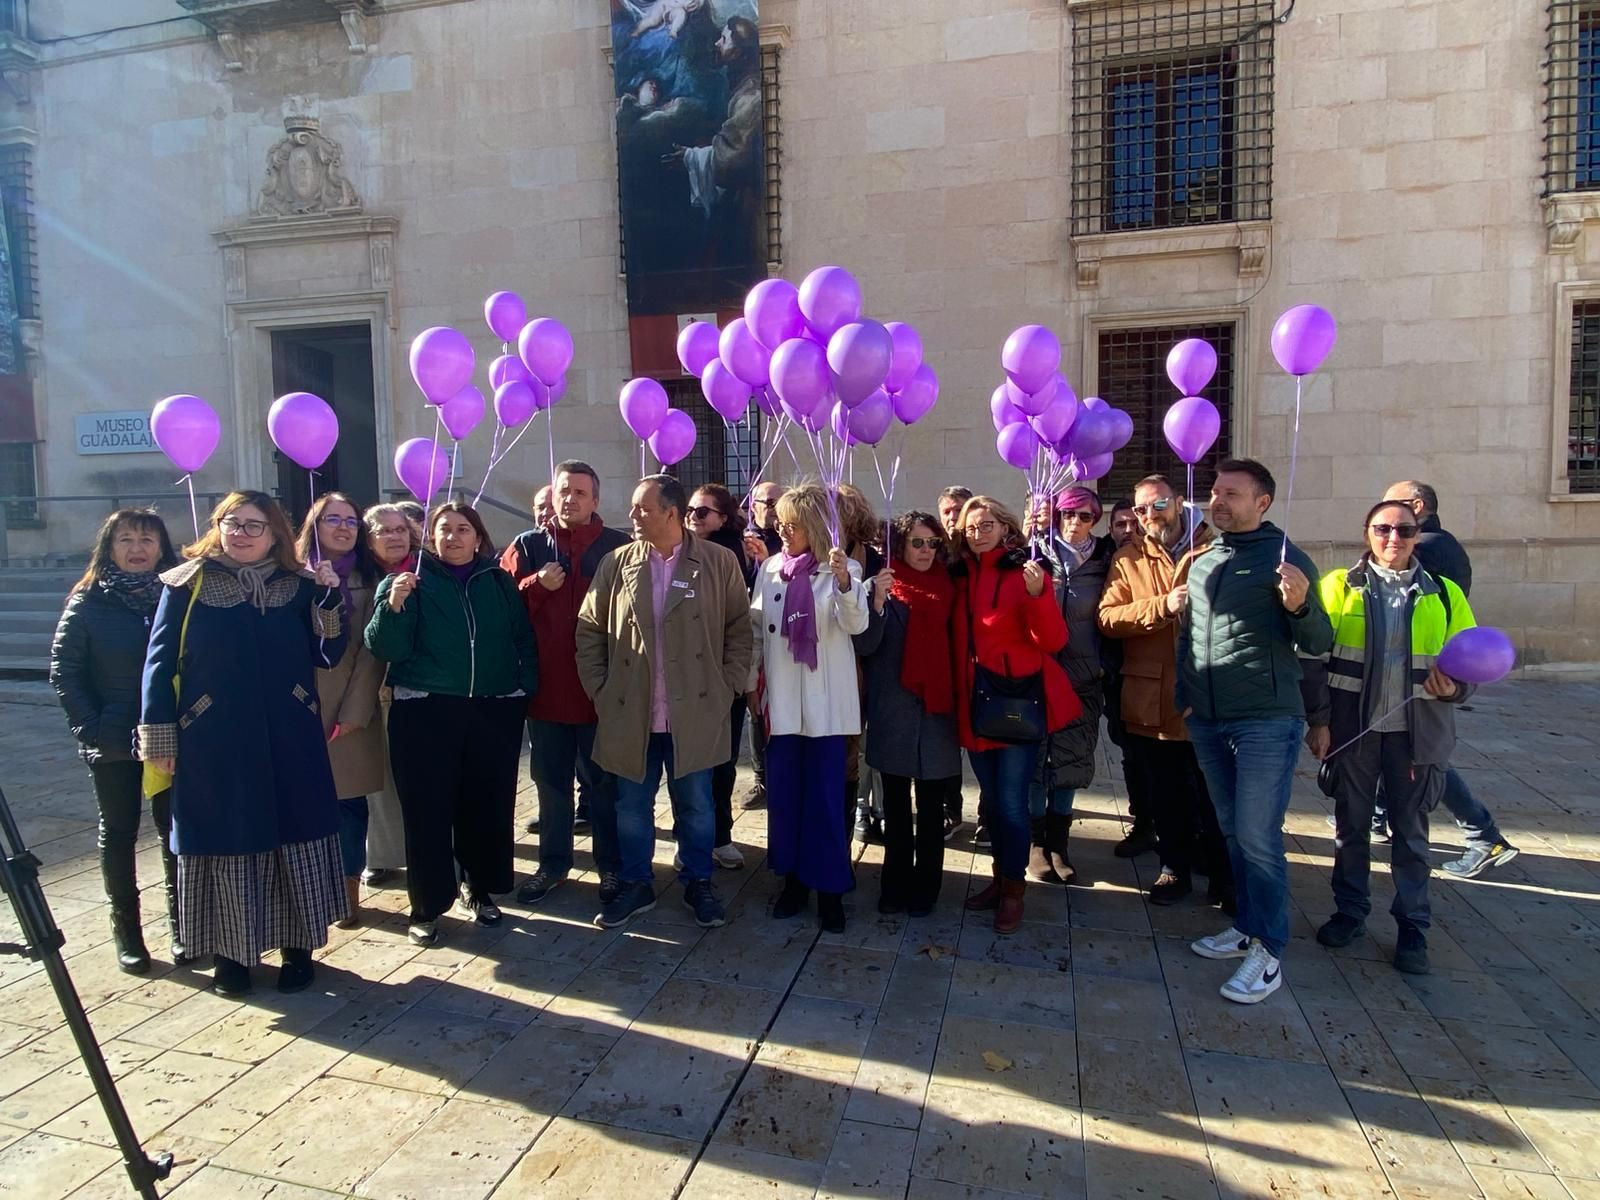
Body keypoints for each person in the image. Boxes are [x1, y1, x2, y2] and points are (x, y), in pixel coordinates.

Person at [137, 491, 347, 996]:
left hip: (290, 734)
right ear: (218, 525)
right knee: (227, 836)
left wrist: (328, 597)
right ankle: (232, 956)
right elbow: (158, 663)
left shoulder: (299, 585)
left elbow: (327, 655)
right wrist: (160, 735)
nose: (242, 534)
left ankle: (298, 949)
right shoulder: (186, 584)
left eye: (255, 526)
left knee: (293, 831)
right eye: (233, 522)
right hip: (214, 738)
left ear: (276, 533)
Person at [1180, 460, 1333, 1005]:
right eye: (1216, 492)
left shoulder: (1286, 560)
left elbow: (1320, 638)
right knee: (1232, 829)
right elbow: (1190, 638)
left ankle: (1269, 949)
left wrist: (1301, 605)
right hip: (1209, 720)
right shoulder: (1204, 561)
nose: (1218, 502)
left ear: (1262, 502)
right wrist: (1187, 702)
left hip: (1266, 719)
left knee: (1258, 835)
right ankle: (1246, 925)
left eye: (1232, 494)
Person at [1302, 500, 1477, 976]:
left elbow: (1472, 660)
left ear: (1417, 536)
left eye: (1404, 530)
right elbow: (1313, 660)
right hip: (1353, 734)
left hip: (1416, 737)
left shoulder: (1444, 594)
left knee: (1411, 837)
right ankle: (1349, 913)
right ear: (1367, 534)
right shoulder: (1337, 587)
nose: (1393, 538)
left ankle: (1413, 929)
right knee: (1350, 830)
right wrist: (1317, 722)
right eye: (1383, 529)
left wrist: (1457, 688)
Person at [575, 474, 752, 930]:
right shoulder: (616, 564)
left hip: (694, 710)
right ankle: (637, 884)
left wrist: (728, 684)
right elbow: (589, 630)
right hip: (631, 710)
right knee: (631, 807)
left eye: (642, 508)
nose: (632, 516)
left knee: (696, 805)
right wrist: (600, 687)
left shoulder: (718, 561)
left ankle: (699, 881)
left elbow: (739, 628)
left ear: (671, 512)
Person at [365, 502, 538, 947]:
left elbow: (523, 638)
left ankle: (478, 889)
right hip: (425, 710)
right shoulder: (408, 583)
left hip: (491, 709)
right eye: (444, 530)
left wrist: (521, 689)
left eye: (463, 529)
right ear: (430, 537)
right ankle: (425, 906)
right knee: (427, 812)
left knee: (484, 806)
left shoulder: (498, 581)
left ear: (478, 537)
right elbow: (387, 648)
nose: (453, 537)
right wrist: (394, 605)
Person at [51, 509, 183, 973]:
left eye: (147, 540)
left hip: (170, 736)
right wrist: (93, 728)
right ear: (109, 547)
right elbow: (64, 671)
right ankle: (127, 930)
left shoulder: (177, 593)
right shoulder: (87, 602)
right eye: (125, 540)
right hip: (114, 738)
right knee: (120, 830)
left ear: (161, 547)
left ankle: (182, 926)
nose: (137, 549)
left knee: (174, 830)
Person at [1098, 475, 1232, 911]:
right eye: (1141, 510)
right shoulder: (1127, 559)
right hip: (1154, 698)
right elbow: (1108, 618)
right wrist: (1161, 606)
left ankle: (1222, 873)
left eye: (1158, 505)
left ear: (1178, 502)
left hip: (1210, 696)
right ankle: (1172, 867)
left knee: (1217, 796)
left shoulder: (1220, 550)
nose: (1150, 516)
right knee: (1166, 793)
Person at [500, 462, 629, 906]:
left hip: (601, 694)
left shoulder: (619, 547)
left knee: (604, 787)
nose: (569, 498)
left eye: (579, 492)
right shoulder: (528, 545)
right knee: (551, 786)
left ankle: (611, 868)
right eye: (563, 491)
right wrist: (536, 584)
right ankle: (553, 865)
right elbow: (501, 611)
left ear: (596, 500)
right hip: (546, 693)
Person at [1379, 480, 1519, 878]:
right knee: (1395, 752)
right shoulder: (1446, 542)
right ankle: (1378, 818)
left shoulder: (1426, 549)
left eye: (1395, 506)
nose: (1390, 531)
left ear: (1417, 505)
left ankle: (1484, 835)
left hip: (1422, 679)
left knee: (1427, 761)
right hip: (1414, 678)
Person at [952, 496, 1077, 934]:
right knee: (991, 803)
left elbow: (1053, 640)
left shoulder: (1025, 571)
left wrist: (1040, 595)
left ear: (1005, 527)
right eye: (971, 527)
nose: (978, 533)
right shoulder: (962, 573)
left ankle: (1013, 892)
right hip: (975, 703)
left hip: (1014, 702)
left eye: (986, 524)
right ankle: (1000, 878)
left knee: (1010, 802)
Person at [749, 483, 869, 931]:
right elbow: (758, 630)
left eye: (792, 523)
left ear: (816, 526)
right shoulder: (772, 569)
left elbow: (856, 623)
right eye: (780, 521)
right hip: (780, 708)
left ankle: (831, 890)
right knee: (785, 799)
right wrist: (751, 686)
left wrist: (842, 583)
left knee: (824, 801)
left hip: (827, 710)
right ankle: (794, 882)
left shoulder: (844, 568)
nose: (782, 529)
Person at [856, 511, 959, 916]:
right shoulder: (880, 585)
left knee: (932, 808)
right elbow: (864, 646)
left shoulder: (949, 586)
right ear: (899, 545)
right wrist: (878, 603)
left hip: (937, 711)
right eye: (917, 543)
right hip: (894, 708)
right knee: (896, 806)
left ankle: (927, 888)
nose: (925, 551)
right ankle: (894, 883)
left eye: (932, 543)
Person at [295, 493, 387, 930]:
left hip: (349, 711)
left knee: (349, 804)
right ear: (314, 525)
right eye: (333, 519)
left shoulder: (370, 581)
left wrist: (355, 710)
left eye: (352, 520)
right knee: (306, 803)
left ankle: (348, 891)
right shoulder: (291, 577)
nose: (344, 527)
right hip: (296, 707)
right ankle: (310, 889)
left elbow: (373, 653)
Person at [1025, 487, 1116, 886]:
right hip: (1037, 675)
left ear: (1095, 519)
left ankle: (1059, 844)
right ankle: (1034, 844)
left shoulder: (1105, 559)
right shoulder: (1036, 553)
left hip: (1081, 678)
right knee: (1034, 759)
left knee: (1070, 761)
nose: (1074, 523)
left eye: (1083, 516)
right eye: (1066, 515)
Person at [685, 483, 752, 869]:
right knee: (691, 761)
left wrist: (733, 677)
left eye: (702, 511)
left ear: (722, 518)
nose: (693, 516)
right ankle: (691, 837)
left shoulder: (734, 555)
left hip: (723, 674)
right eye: (690, 509)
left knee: (722, 760)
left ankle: (720, 835)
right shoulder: (674, 550)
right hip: (686, 675)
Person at [359, 503, 421, 884]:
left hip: (419, 688)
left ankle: (427, 851)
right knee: (378, 777)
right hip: (370, 689)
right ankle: (381, 855)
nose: (395, 536)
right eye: (385, 531)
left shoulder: (426, 570)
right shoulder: (359, 575)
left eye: (400, 529)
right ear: (369, 539)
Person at [837, 482, 886, 845]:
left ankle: (866, 810)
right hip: (832, 666)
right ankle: (856, 809)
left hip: (864, 663)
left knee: (862, 743)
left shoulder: (872, 558)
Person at [739, 480, 786, 812]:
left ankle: (781, 774)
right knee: (755, 710)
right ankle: (761, 779)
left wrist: (767, 559)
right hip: (748, 635)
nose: (768, 507)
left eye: (775, 502)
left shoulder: (789, 540)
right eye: (763, 502)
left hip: (781, 637)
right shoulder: (741, 540)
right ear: (751, 506)